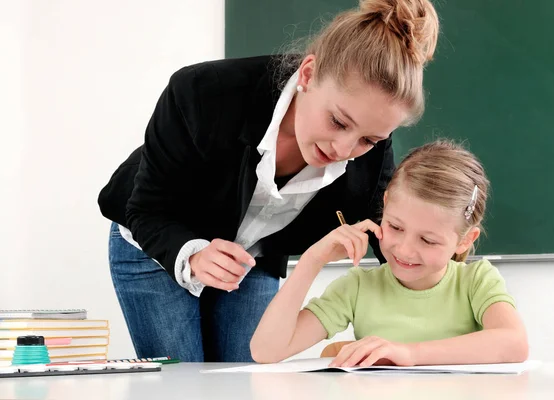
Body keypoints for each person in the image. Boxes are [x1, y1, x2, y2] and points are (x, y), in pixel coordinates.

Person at [97, 0, 439, 362]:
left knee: (249, 378)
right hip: (158, 242)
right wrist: (194, 255)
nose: (344, 148)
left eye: (369, 140)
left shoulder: (370, 152)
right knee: (182, 381)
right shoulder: (201, 92)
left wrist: (444, 301)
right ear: (308, 74)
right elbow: (148, 208)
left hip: (253, 257)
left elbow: (388, 236)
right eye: (338, 122)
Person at [251, 140, 529, 366]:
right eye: (395, 226)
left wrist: (408, 354)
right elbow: (266, 351)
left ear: (465, 241)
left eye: (428, 240)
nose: (405, 249)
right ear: (384, 203)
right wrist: (312, 260)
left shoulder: (476, 281)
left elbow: (514, 343)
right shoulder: (358, 287)